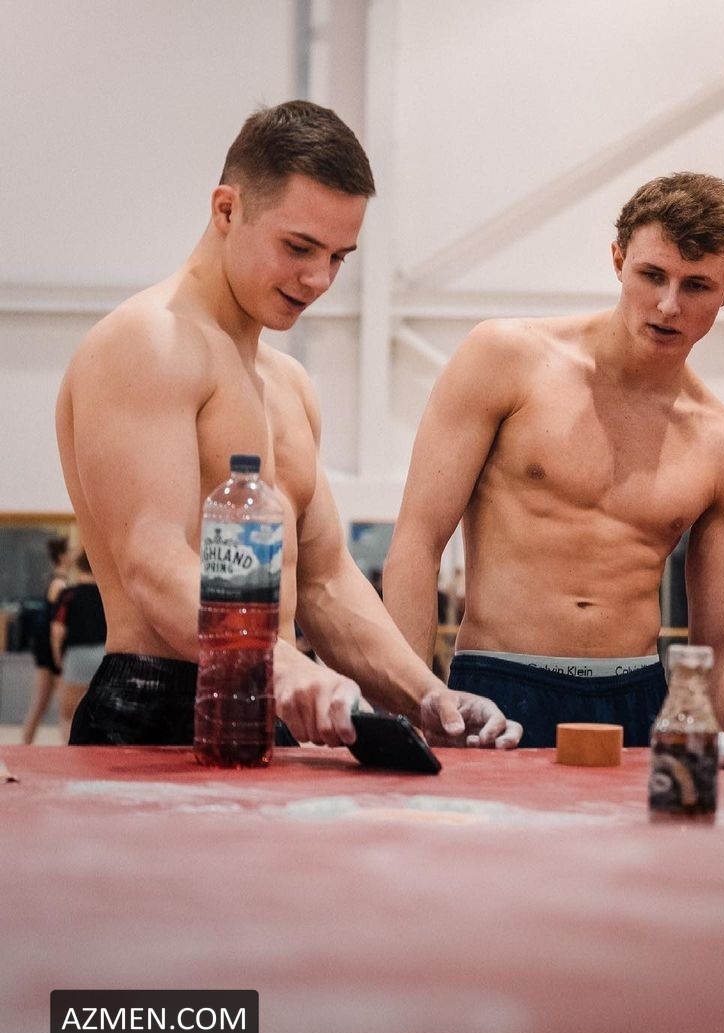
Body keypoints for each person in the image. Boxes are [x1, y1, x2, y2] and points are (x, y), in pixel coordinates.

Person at [55, 100, 521, 751]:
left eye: (338, 257)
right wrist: (287, 668)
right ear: (227, 210)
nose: (318, 279)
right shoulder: (150, 342)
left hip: (267, 697)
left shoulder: (288, 384)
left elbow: (326, 582)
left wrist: (426, 695)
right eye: (298, 248)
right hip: (158, 706)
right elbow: (154, 566)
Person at [382, 173, 724, 746]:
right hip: (498, 685)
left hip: (637, 697)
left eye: (696, 286)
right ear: (618, 260)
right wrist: (414, 707)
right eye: (652, 275)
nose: (668, 305)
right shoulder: (507, 360)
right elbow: (416, 544)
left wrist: (719, 770)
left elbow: (720, 656)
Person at [51, 550, 107, 744]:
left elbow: (57, 631)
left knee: (68, 714)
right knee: (99, 714)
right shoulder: (106, 594)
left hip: (76, 656)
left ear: (79, 567)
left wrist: (58, 660)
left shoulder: (68, 595)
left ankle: (71, 753)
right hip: (104, 654)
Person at [20, 536, 70, 743]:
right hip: (50, 649)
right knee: (65, 707)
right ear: (62, 556)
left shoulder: (57, 581)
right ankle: (70, 749)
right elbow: (56, 623)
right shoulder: (59, 584)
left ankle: (24, 745)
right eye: (70, 552)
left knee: (40, 703)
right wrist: (57, 655)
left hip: (45, 648)